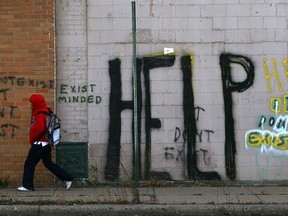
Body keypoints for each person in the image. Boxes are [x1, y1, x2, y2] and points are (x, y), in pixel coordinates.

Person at [18, 94, 74, 191]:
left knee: (29, 163)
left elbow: (38, 129)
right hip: (46, 143)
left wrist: (33, 141)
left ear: (36, 103)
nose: (30, 105)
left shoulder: (40, 114)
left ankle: (28, 185)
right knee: (48, 163)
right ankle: (68, 178)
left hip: (40, 143)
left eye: (32, 103)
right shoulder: (46, 111)